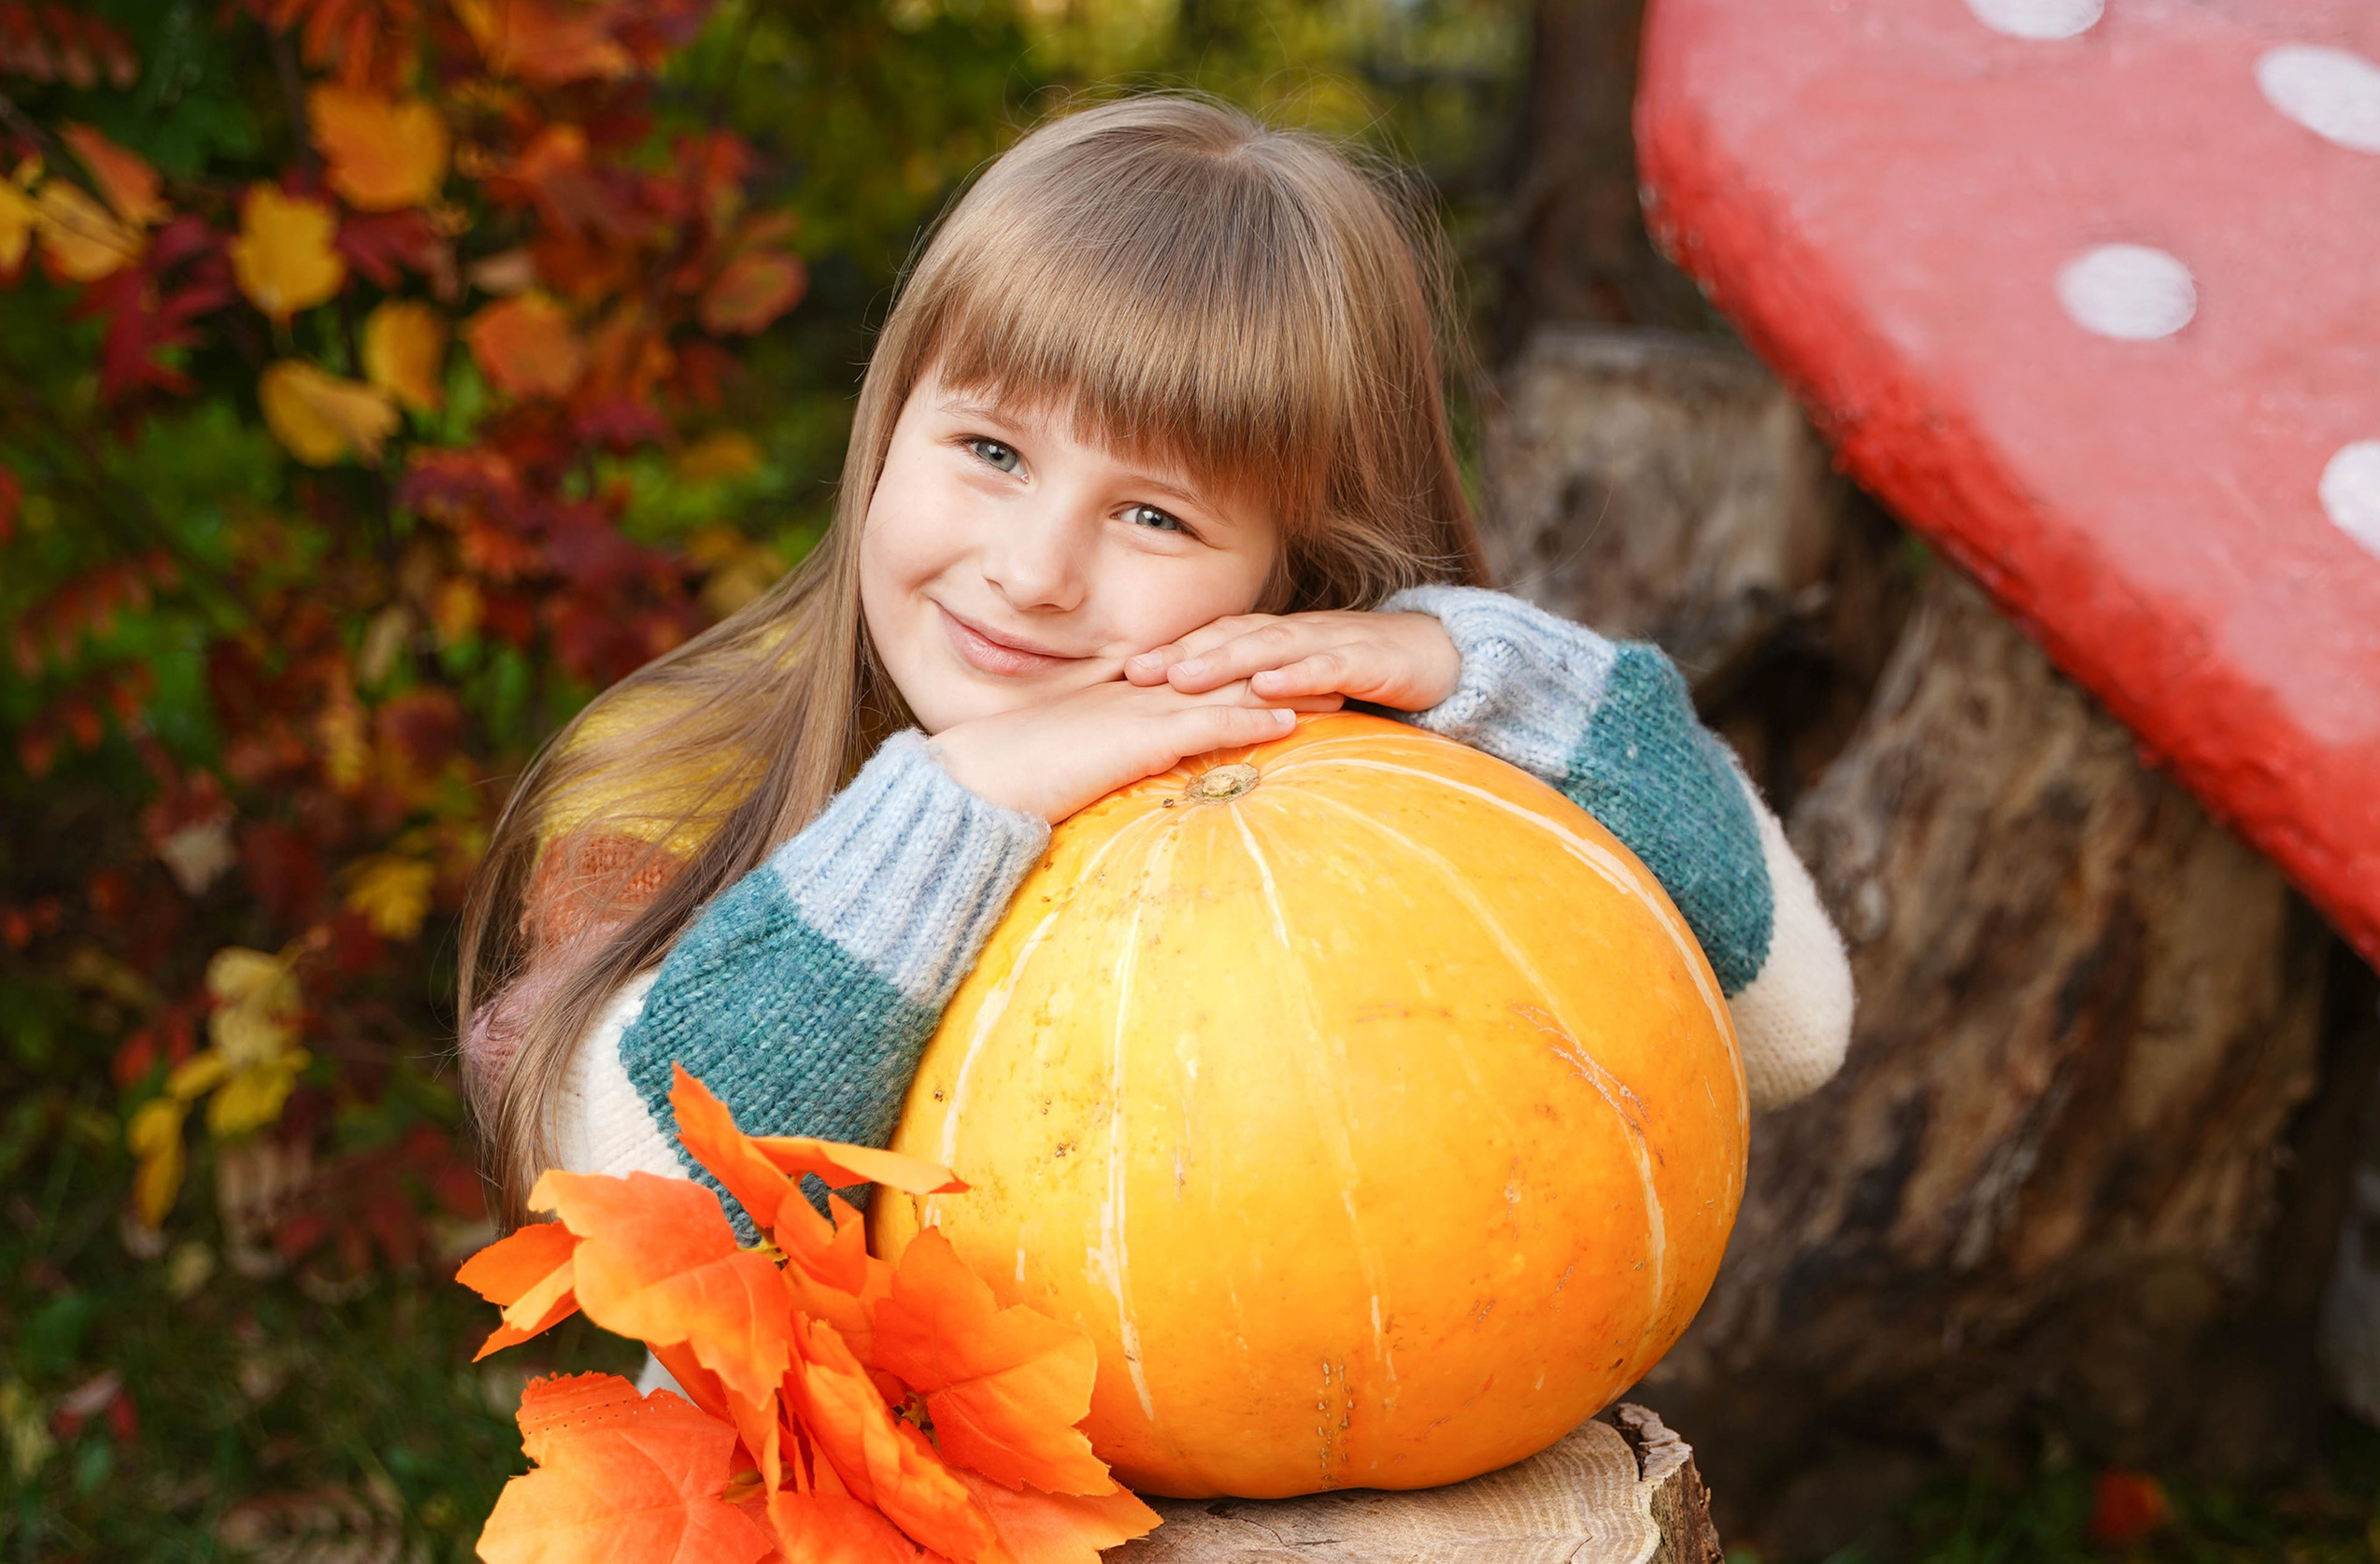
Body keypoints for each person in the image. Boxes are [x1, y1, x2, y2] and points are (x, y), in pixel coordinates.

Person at [461, 96, 1852, 1213]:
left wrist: (1489, 674)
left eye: (1153, 514)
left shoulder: (1348, 806)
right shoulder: (676, 771)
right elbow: (632, 1190)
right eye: (991, 450)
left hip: (1306, 1521)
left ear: (1288, 565)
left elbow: (1795, 1027)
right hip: (819, 1533)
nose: (1033, 570)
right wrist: (960, 804)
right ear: (891, 420)